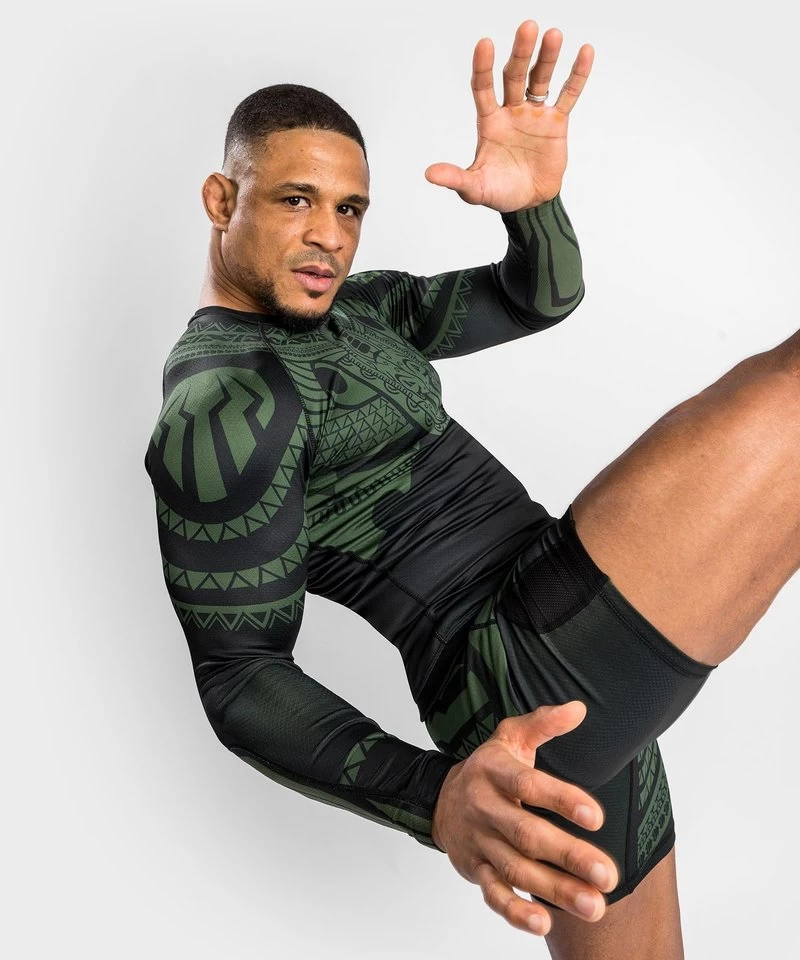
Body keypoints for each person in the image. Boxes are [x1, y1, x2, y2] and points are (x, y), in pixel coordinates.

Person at [143, 18, 799, 960]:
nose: (328, 236)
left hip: (554, 660)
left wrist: (534, 207)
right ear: (221, 199)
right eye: (296, 200)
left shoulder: (358, 310)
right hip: (524, 660)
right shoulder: (222, 404)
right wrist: (438, 797)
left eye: (350, 210)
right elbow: (238, 674)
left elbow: (536, 296)